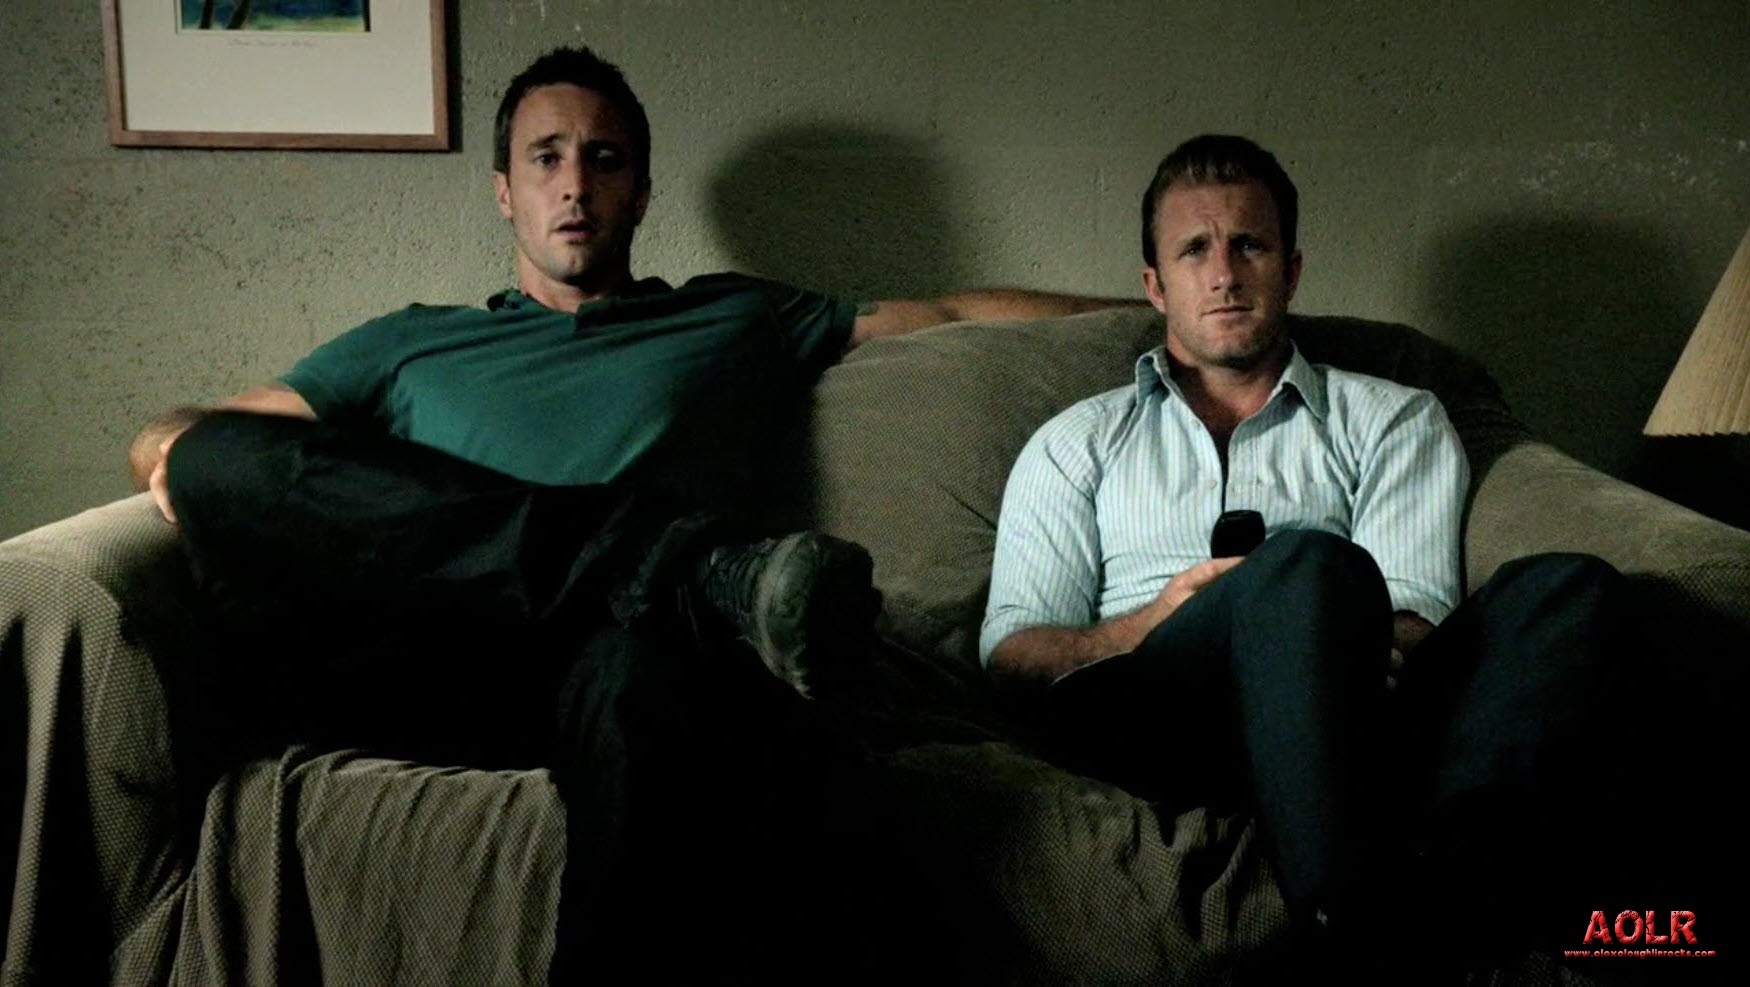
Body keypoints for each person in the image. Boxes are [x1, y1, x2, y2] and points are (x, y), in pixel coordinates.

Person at [129, 46, 1132, 984]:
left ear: (641, 191)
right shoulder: (410, 343)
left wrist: (1173, 309)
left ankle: (671, 586)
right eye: (546, 158)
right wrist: (170, 448)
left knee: (647, 685)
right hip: (432, 651)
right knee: (217, 454)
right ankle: (690, 567)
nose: (574, 184)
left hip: (619, 657)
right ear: (505, 190)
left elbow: (951, 315)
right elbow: (198, 442)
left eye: (603, 159)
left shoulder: (731, 315)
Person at [979, 134, 1655, 967]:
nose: (1224, 274)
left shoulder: (1393, 416)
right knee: (1303, 563)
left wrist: (1316, 638)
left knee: (1567, 587)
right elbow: (1012, 652)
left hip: (1353, 697)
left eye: (1249, 245)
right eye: (1194, 250)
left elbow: (1411, 616)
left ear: (1291, 270)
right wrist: (1146, 623)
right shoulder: (1075, 442)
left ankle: (1446, 882)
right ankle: (1355, 931)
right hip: (1160, 710)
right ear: (1155, 285)